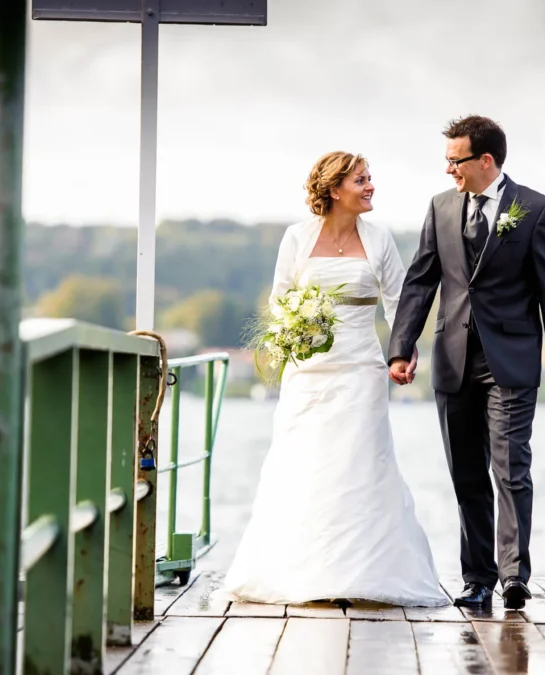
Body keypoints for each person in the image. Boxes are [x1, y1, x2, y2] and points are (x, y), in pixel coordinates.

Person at [220, 151, 450, 607]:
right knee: (305, 463)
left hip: (361, 370)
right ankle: (301, 569)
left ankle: (363, 572)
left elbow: (398, 302)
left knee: (360, 463)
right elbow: (280, 301)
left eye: (369, 178)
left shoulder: (380, 239)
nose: (370, 186)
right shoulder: (297, 237)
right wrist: (296, 332)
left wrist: (403, 351)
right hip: (308, 373)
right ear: (334, 189)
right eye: (361, 180)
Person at [387, 115, 545, 611]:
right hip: (452, 361)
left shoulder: (536, 209)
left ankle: (514, 576)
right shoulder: (440, 207)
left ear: (485, 160)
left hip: (510, 361)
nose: (448, 169)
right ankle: (477, 578)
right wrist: (401, 347)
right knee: (466, 474)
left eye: (456, 161)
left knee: (511, 468)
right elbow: (421, 280)